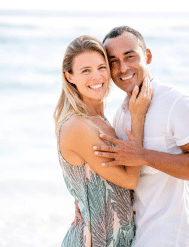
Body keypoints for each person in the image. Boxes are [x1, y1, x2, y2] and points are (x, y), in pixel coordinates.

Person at [74, 26, 189, 246]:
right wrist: (87, 199)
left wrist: (144, 156)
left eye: (130, 57)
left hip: (170, 237)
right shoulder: (120, 114)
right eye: (113, 61)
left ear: (147, 56)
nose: (123, 68)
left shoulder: (176, 104)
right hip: (134, 237)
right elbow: (123, 176)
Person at [54, 35, 152, 246]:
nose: (97, 77)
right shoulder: (77, 126)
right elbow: (129, 180)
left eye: (101, 67)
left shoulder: (104, 121)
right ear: (69, 77)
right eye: (85, 70)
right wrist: (138, 116)